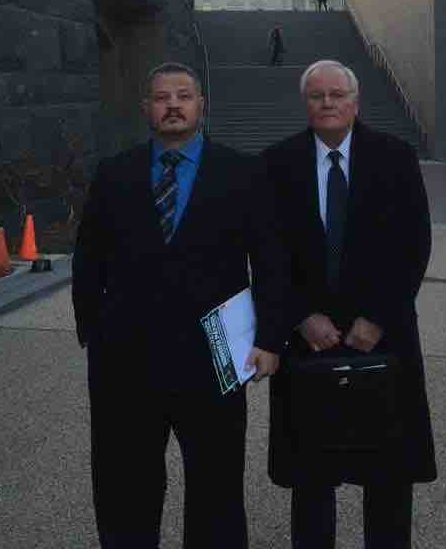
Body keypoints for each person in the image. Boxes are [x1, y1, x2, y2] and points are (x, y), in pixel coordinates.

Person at [72, 62, 291, 549]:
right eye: (162, 97)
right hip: (125, 358)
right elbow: (88, 258)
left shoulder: (243, 171)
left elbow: (271, 261)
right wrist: (93, 331)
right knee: (124, 483)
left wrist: (270, 338)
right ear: (146, 108)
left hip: (215, 352)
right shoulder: (114, 174)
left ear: (200, 105)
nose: (173, 105)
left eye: (184, 96)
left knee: (216, 485)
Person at [261, 59, 436, 549]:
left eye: (337, 94)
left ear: (356, 101)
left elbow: (414, 245)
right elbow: (269, 253)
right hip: (308, 342)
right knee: (312, 477)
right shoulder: (277, 163)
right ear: (306, 103)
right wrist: (300, 316)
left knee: (388, 474)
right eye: (317, 96)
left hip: (384, 336)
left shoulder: (395, 157)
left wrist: (378, 317)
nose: (328, 103)